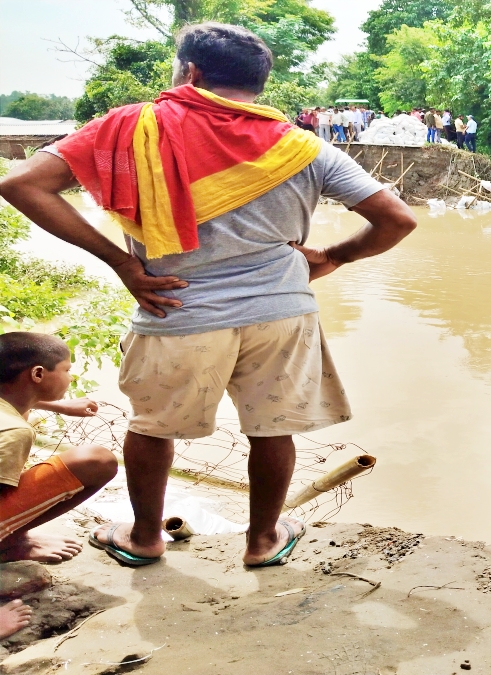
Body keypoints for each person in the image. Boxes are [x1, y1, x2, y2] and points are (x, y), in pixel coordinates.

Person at [0, 22, 419, 568]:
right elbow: (397, 220)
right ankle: (263, 541)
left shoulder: (131, 128)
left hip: (175, 309)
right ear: (259, 84)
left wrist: (123, 262)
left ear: (191, 72)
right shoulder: (305, 147)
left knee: (151, 429)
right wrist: (335, 257)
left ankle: (145, 538)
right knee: (273, 429)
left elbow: (21, 183)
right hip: (282, 313)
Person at [0, 333, 118, 565]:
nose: (71, 378)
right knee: (97, 461)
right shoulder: (14, 430)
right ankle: (7, 544)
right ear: (38, 374)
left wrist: (59, 405)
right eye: (66, 370)